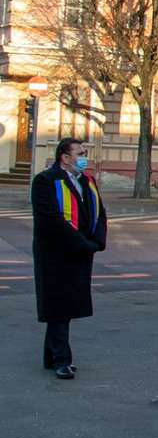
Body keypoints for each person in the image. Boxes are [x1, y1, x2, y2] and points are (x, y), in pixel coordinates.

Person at [31, 137, 107, 379]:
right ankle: (62, 359)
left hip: (81, 252)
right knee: (58, 305)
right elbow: (50, 220)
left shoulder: (87, 181)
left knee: (65, 305)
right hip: (56, 252)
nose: (85, 157)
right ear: (65, 157)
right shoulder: (46, 181)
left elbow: (99, 213)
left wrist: (97, 242)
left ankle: (50, 356)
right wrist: (81, 243)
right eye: (80, 153)